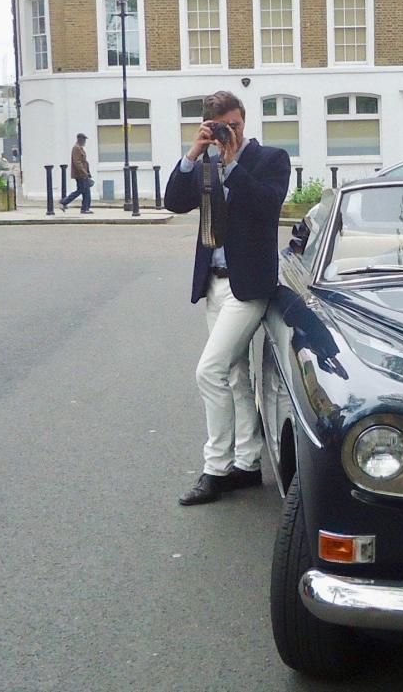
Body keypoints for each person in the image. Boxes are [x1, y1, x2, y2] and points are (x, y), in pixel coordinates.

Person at [165, 91, 290, 506]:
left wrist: (233, 164)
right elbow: (174, 202)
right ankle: (248, 464)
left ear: (244, 121)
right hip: (214, 283)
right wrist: (193, 154)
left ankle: (216, 468)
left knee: (209, 370)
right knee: (235, 377)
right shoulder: (205, 162)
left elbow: (268, 206)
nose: (229, 132)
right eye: (221, 127)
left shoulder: (271, 159)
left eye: (234, 125)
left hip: (248, 286)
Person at [60, 133, 93, 213]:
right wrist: (84, 172)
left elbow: (84, 162)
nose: (85, 141)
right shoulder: (76, 148)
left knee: (86, 191)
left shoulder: (80, 148)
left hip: (83, 174)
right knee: (81, 190)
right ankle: (64, 202)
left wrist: (88, 172)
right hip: (80, 175)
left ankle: (85, 208)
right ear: (80, 139)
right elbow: (77, 162)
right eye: (84, 139)